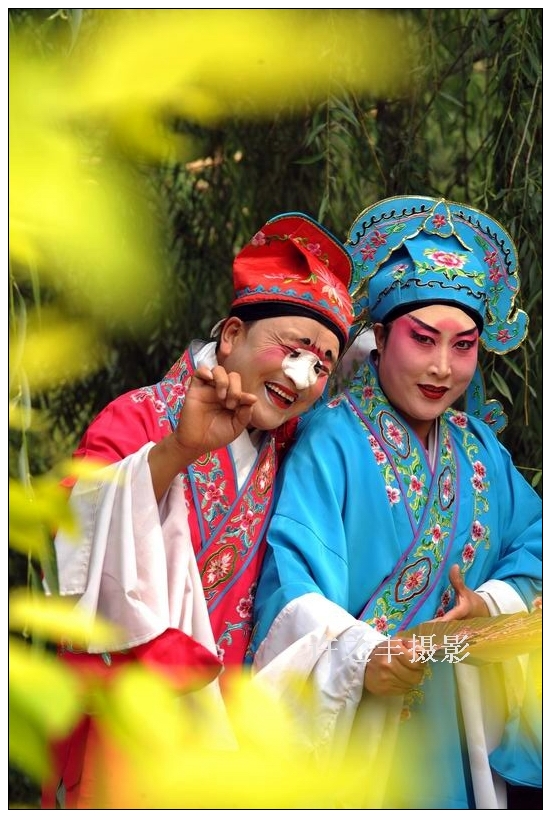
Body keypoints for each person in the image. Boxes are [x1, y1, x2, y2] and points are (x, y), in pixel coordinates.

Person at [41, 211, 355, 808]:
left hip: (223, 728)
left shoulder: (290, 452)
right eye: (292, 348)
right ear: (231, 336)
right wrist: (178, 451)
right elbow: (70, 540)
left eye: (322, 365)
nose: (302, 376)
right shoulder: (138, 416)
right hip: (124, 718)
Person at [248, 196, 542, 809]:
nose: (442, 368)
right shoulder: (329, 439)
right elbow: (290, 589)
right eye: (423, 340)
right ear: (380, 336)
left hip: (459, 725)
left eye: (463, 346)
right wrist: (360, 659)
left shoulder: (480, 447)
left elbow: (535, 538)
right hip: (358, 730)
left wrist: (489, 601)